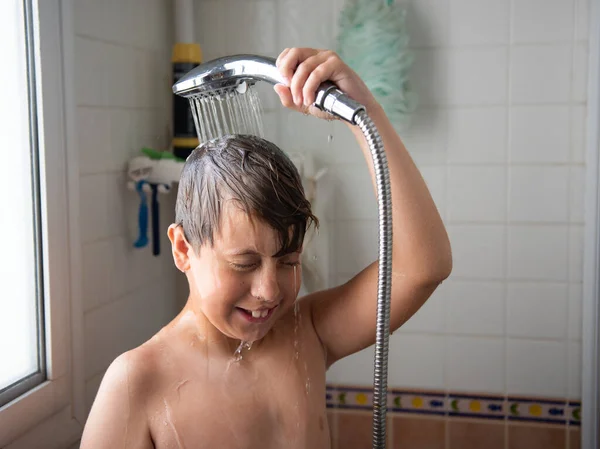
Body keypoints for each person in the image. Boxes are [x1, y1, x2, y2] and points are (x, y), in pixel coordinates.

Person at [79, 47, 452, 449]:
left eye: (288, 260)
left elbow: (422, 268)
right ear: (183, 248)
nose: (270, 290)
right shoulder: (138, 382)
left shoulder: (305, 334)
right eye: (244, 263)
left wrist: (362, 112)